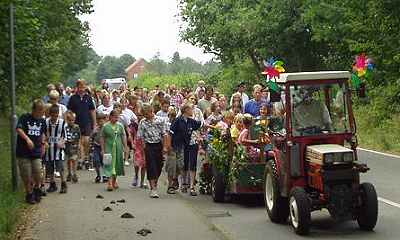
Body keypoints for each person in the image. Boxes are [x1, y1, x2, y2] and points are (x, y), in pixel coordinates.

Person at [16, 99, 47, 204]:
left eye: (43, 111)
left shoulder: (42, 121)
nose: (42, 114)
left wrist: (43, 144)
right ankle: (29, 194)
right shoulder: (24, 118)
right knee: (26, 174)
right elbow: (19, 129)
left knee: (38, 172)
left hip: (36, 151)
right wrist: (27, 139)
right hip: (23, 152)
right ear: (35, 110)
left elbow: (43, 133)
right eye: (41, 111)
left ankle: (37, 189)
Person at [170, 103, 203, 196]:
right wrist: (171, 146)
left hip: (191, 144)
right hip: (180, 146)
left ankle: (192, 186)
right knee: (182, 164)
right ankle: (182, 182)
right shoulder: (177, 121)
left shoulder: (191, 121)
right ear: (185, 111)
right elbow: (171, 132)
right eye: (190, 109)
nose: (192, 111)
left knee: (192, 164)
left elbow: (199, 125)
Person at [137, 103, 169, 198]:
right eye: (144, 115)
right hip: (149, 146)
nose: (146, 116)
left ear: (151, 111)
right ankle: (153, 188)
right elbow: (141, 136)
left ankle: (155, 182)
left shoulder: (160, 120)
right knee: (151, 166)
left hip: (158, 145)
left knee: (159, 166)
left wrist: (165, 147)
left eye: (147, 114)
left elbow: (164, 134)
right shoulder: (143, 122)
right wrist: (143, 147)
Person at [67, 79, 97, 170]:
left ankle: (87, 157)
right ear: (77, 87)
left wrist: (94, 123)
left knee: (87, 141)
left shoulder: (88, 98)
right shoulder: (73, 98)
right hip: (76, 123)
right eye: (80, 87)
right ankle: (81, 159)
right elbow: (69, 111)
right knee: (79, 143)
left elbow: (92, 111)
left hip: (87, 122)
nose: (81, 89)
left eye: (83, 87)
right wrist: (69, 121)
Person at [100, 110, 128, 191]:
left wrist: (125, 146)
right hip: (108, 148)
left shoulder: (120, 126)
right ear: (110, 117)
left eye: (117, 117)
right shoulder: (105, 126)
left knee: (117, 164)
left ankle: (114, 181)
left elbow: (123, 136)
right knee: (109, 165)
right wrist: (102, 149)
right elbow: (102, 137)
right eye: (115, 117)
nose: (116, 119)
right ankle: (109, 183)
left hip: (118, 148)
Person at [45, 104, 67, 194]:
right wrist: (45, 141)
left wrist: (62, 142)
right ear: (50, 114)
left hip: (59, 149)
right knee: (49, 167)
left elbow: (64, 136)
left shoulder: (62, 123)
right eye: (53, 115)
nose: (54, 117)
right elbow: (44, 134)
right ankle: (52, 183)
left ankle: (63, 184)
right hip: (49, 149)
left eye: (56, 115)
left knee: (60, 167)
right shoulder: (46, 122)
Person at [131, 106, 147, 188]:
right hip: (137, 144)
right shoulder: (134, 124)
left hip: (145, 144)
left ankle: (142, 181)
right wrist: (132, 143)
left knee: (144, 164)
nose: (140, 117)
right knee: (137, 163)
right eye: (138, 115)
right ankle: (136, 176)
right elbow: (131, 134)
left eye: (141, 115)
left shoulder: (146, 123)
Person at [65, 111, 80, 183]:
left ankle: (74, 173)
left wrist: (79, 144)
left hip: (74, 146)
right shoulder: (65, 127)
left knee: (74, 160)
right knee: (68, 160)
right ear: (67, 120)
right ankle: (69, 173)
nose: (71, 122)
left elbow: (79, 137)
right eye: (70, 120)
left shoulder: (77, 127)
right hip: (67, 146)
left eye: (72, 120)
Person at [91, 113, 107, 183]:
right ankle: (98, 175)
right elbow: (91, 137)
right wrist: (93, 133)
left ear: (105, 120)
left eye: (102, 121)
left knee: (104, 162)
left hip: (104, 147)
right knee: (96, 161)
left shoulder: (106, 128)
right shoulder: (96, 129)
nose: (100, 122)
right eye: (99, 121)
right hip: (96, 146)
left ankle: (105, 175)